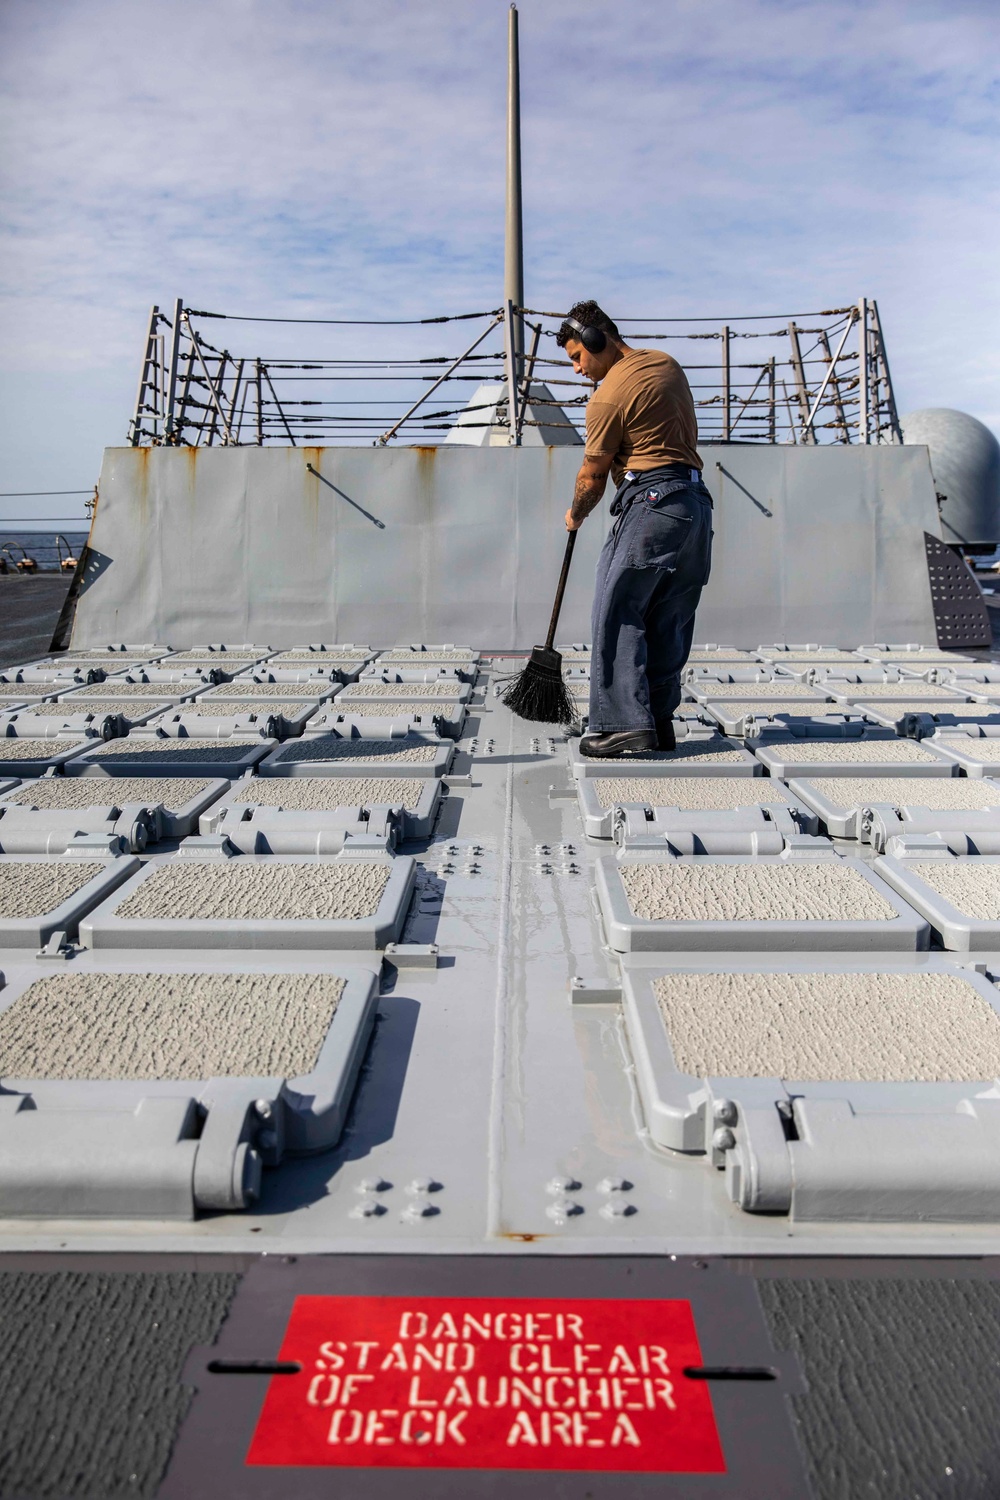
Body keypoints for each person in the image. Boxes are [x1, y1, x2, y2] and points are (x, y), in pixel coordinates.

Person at [558, 300, 713, 757]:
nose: (577, 369)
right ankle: (656, 721)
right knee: (669, 617)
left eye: (577, 357)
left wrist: (576, 514)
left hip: (650, 503)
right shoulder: (666, 364)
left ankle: (622, 724)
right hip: (694, 506)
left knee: (617, 609)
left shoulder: (607, 397)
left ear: (596, 340)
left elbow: (592, 475)